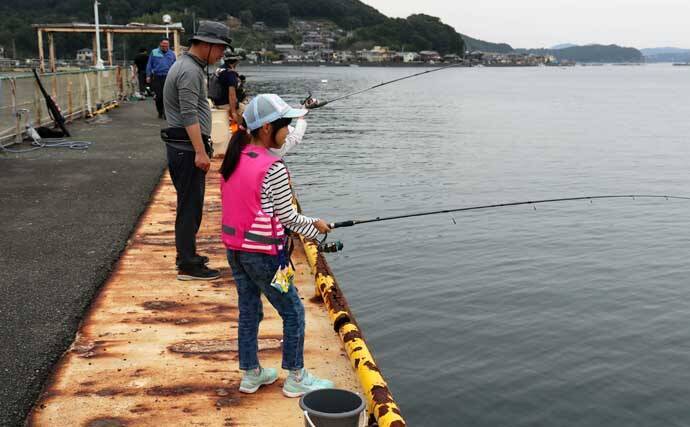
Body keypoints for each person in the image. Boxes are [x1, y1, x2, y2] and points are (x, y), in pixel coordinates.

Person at [219, 94, 334, 397]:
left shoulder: (236, 157)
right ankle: (296, 376)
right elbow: (290, 219)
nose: (287, 133)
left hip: (235, 249)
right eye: (285, 126)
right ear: (268, 129)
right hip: (264, 256)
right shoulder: (274, 167)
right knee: (294, 312)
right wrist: (317, 225)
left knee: (249, 310)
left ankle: (251, 374)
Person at [161, 21, 231, 280]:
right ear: (207, 44)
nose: (222, 53)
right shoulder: (189, 71)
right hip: (187, 149)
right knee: (189, 207)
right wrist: (200, 152)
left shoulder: (189, 66)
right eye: (221, 47)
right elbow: (188, 114)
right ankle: (187, 265)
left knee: (190, 205)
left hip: (184, 147)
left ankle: (188, 255)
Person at [211, 49, 246, 125]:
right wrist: (233, 112)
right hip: (224, 104)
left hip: (216, 102)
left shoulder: (219, 69)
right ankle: (241, 132)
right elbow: (232, 95)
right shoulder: (230, 73)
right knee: (246, 111)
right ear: (236, 61)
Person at [146, 38, 176, 119]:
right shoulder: (154, 52)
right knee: (159, 96)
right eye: (163, 44)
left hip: (168, 77)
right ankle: (160, 111)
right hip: (157, 76)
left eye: (167, 45)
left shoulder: (172, 54)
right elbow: (149, 64)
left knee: (167, 96)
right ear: (160, 44)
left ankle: (166, 113)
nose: (165, 46)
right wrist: (148, 75)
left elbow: (175, 66)